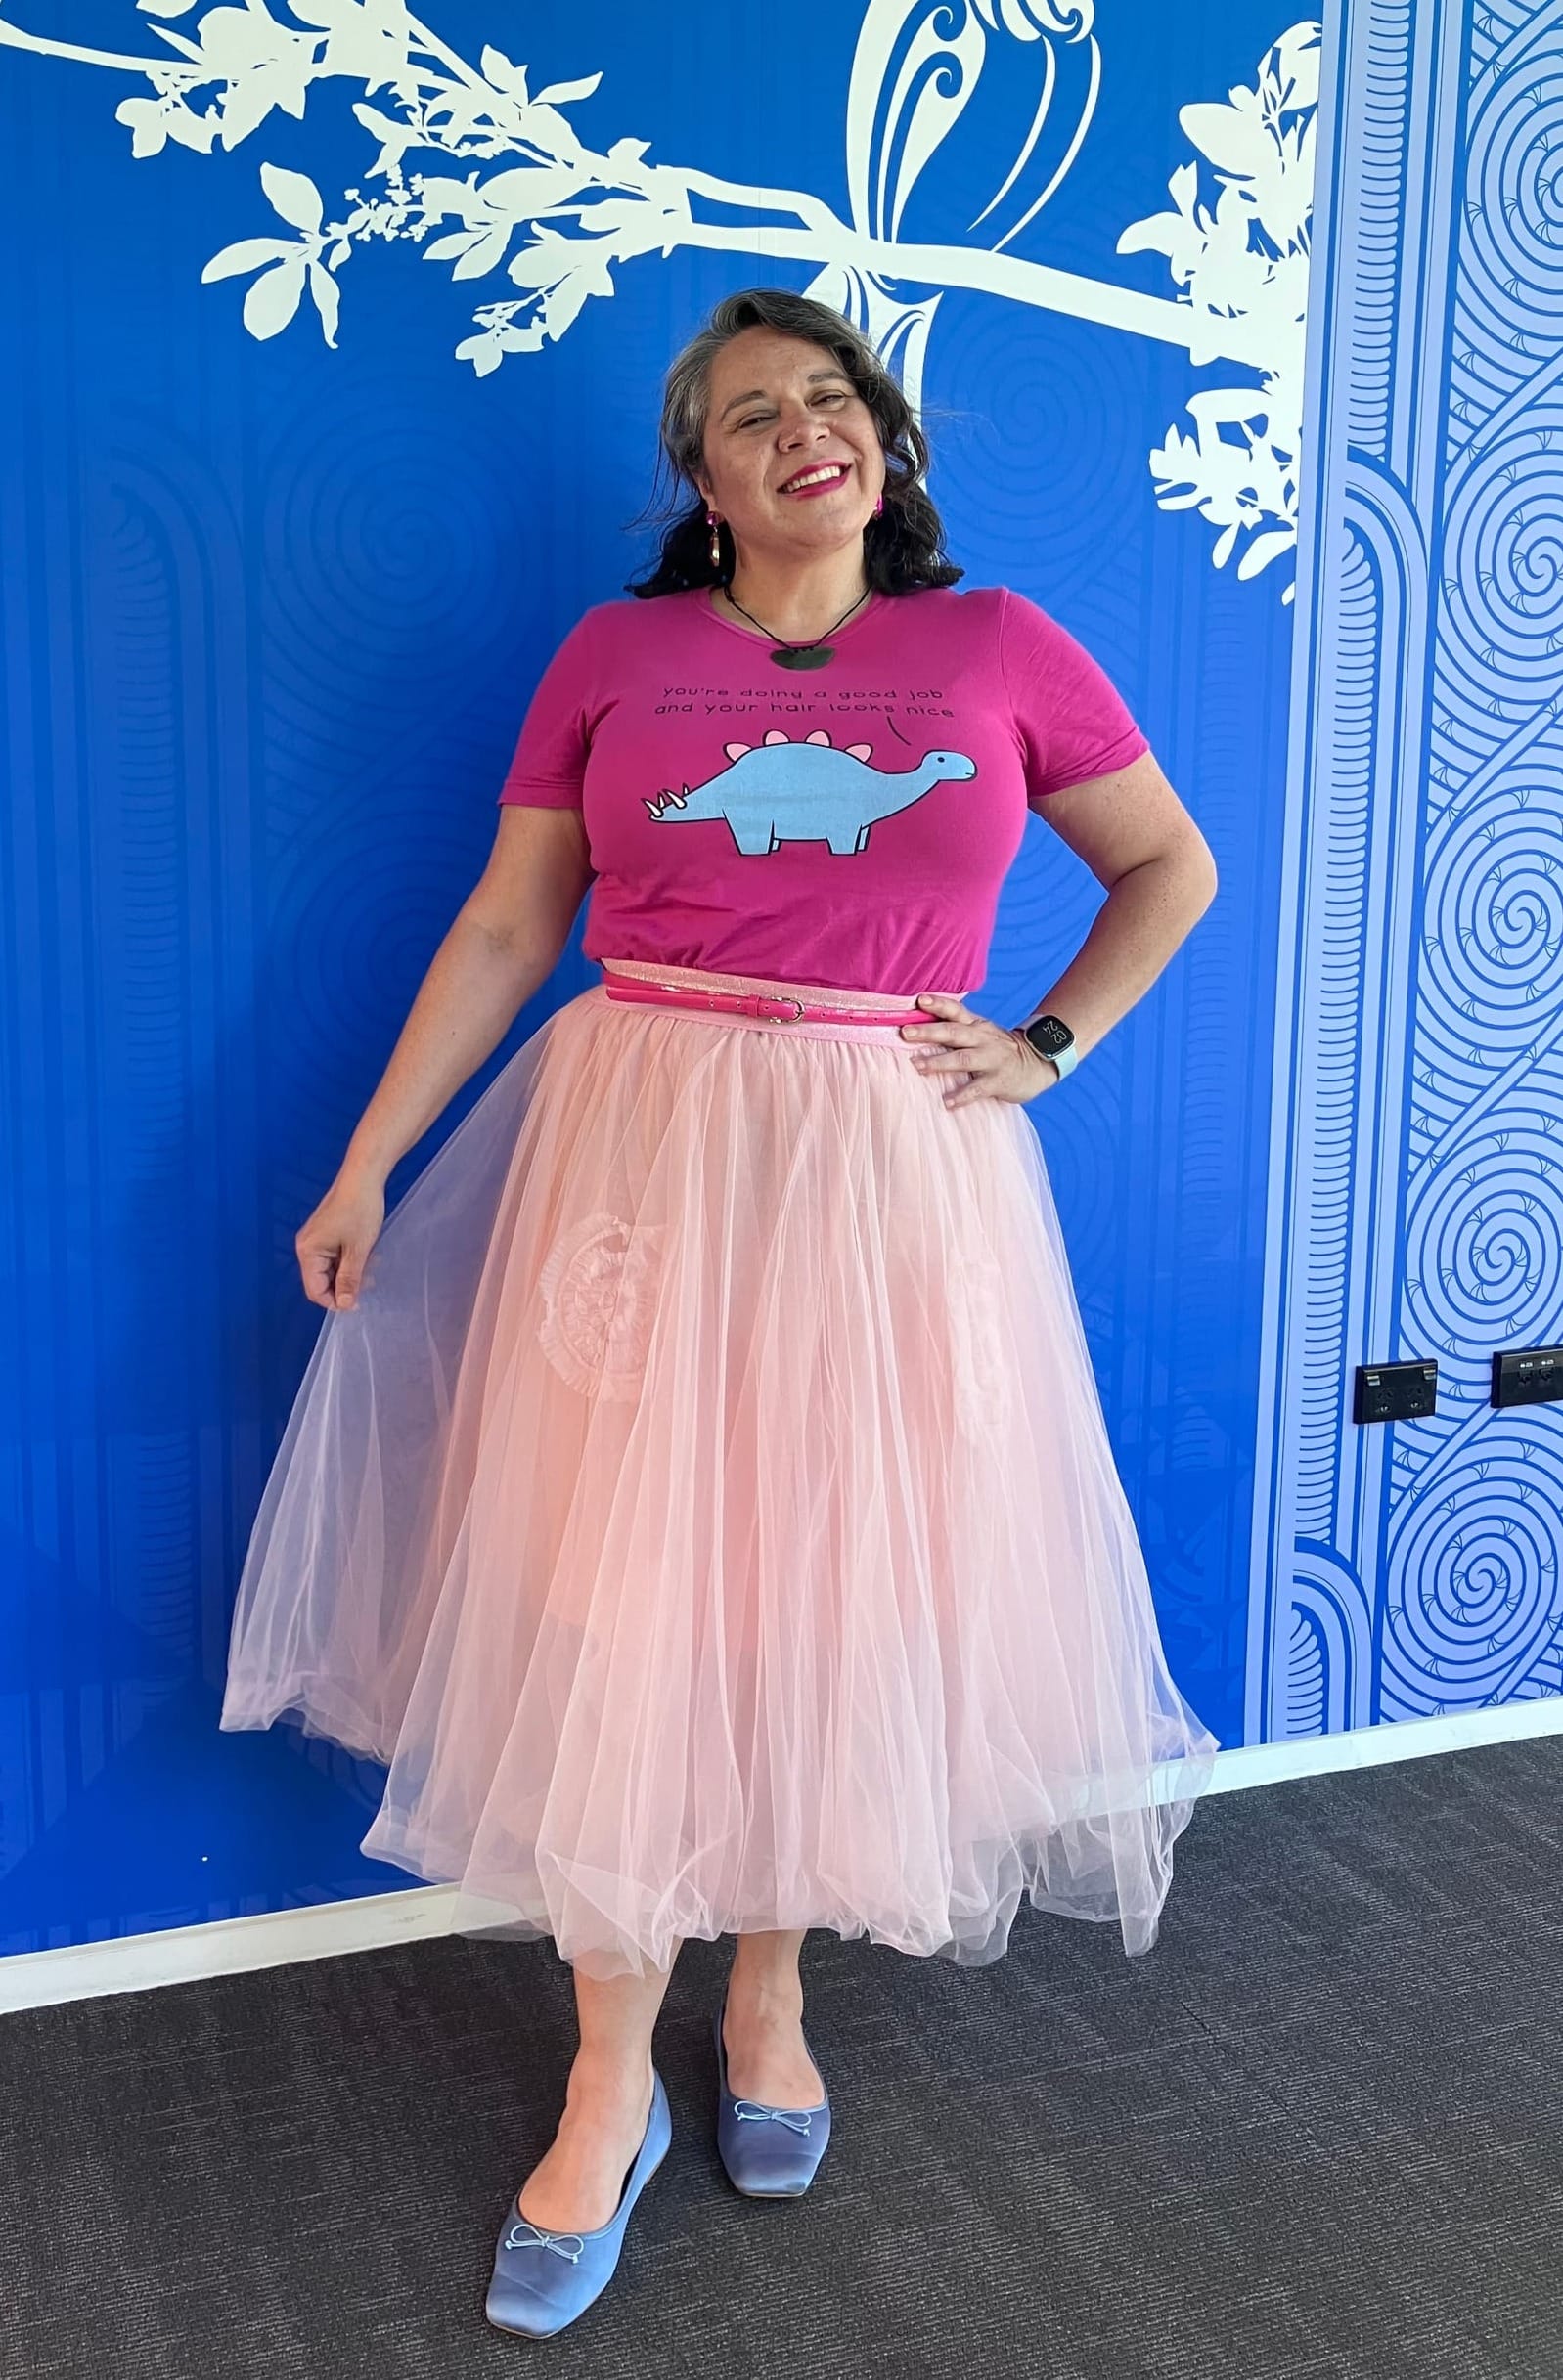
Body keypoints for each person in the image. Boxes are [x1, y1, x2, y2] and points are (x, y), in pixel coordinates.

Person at [220, 286, 1221, 2338]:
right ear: (698, 475)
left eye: (829, 398)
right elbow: (511, 919)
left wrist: (1046, 1041)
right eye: (750, 412)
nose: (799, 431)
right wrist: (370, 1156)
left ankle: (766, 1992)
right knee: (622, 1587)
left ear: (886, 446)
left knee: (826, 1585)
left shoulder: (998, 646)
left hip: (884, 1166)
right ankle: (611, 2071)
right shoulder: (615, 658)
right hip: (641, 1146)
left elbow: (1167, 866)